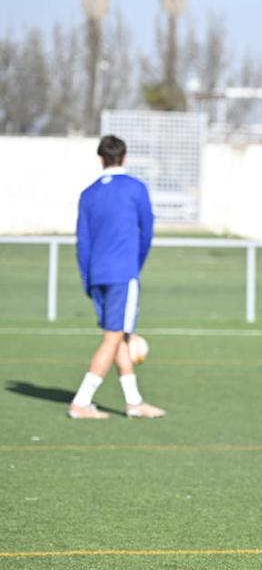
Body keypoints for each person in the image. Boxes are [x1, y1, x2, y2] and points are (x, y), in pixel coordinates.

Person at [68, 135, 164, 420]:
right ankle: (81, 402)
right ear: (125, 157)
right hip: (123, 273)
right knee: (113, 337)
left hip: (97, 274)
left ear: (101, 159)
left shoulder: (89, 193)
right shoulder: (136, 188)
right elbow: (146, 232)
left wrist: (87, 278)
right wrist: (136, 265)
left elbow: (82, 241)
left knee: (120, 335)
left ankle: (134, 402)